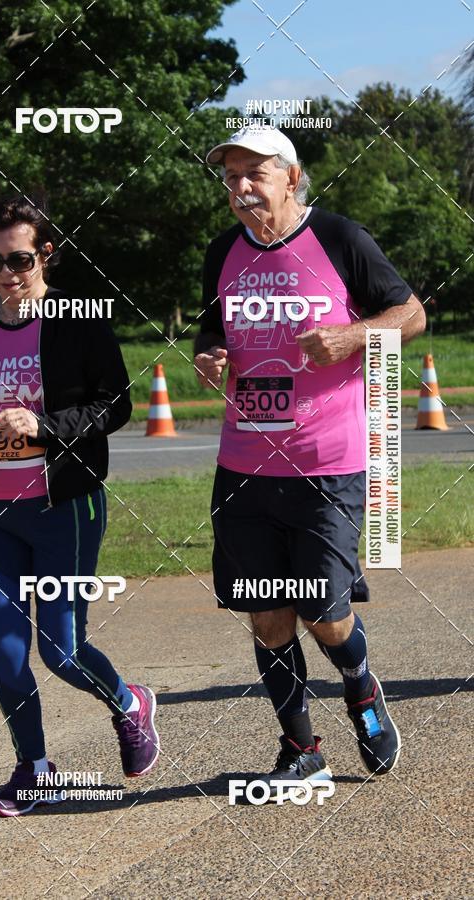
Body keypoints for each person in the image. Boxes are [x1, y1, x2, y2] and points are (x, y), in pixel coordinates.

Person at [194, 125, 426, 795]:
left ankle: (360, 686)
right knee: (268, 615)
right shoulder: (222, 252)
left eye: (253, 174)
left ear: (291, 178)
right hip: (243, 465)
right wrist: (212, 355)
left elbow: (409, 314)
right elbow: (214, 328)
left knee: (323, 612)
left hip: (327, 461)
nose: (239, 188)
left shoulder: (340, 239)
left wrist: (354, 336)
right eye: (230, 177)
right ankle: (301, 747)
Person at [0, 193, 159, 817]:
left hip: (64, 510)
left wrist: (43, 425)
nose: (8, 273)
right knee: (6, 654)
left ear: (46, 255)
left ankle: (129, 702)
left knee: (61, 653)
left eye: (21, 260)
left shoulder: (77, 323)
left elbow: (116, 405)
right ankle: (33, 769)